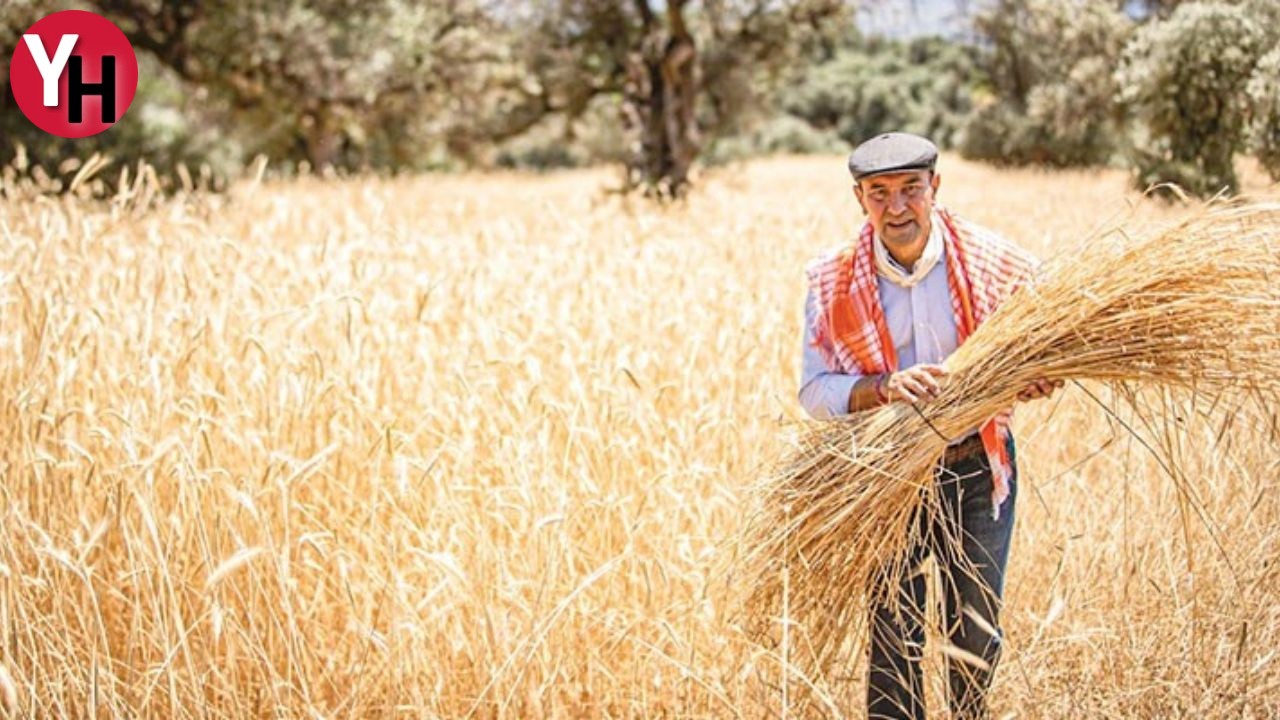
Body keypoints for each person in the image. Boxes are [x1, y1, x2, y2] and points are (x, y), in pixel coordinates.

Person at [797, 132, 1062, 719]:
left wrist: (1039, 377)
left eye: (910, 190)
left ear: (934, 189)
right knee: (896, 635)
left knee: (975, 632)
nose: (896, 208)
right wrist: (883, 388)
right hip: (887, 479)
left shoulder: (996, 262)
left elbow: (1044, 353)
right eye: (879, 193)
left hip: (977, 466)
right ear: (859, 199)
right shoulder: (830, 279)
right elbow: (813, 393)